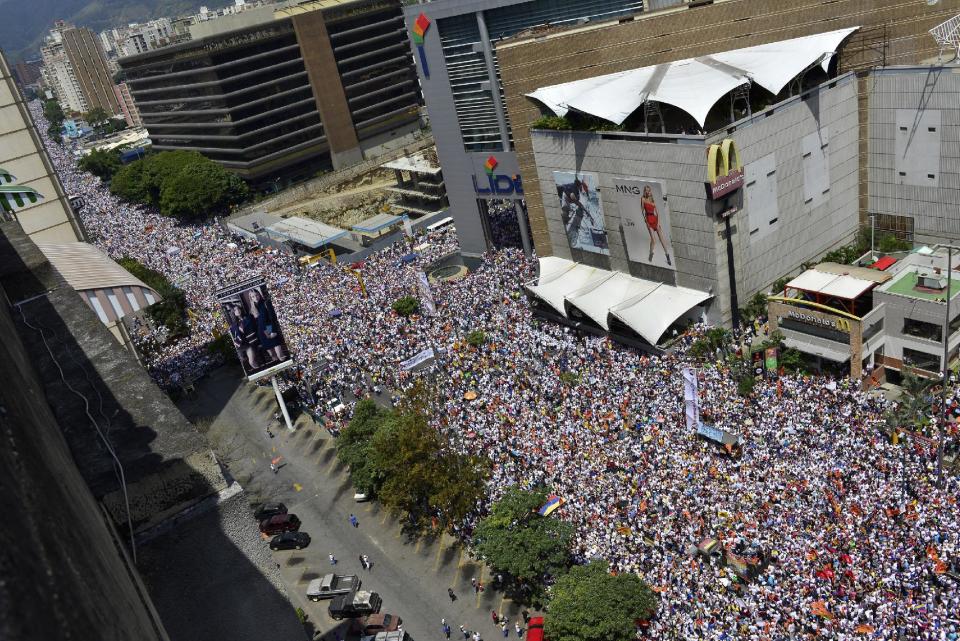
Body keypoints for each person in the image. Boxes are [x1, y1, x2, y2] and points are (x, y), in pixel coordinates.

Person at [248, 287, 288, 364]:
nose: (255, 297)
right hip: (261, 332)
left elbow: (272, 318)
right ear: (251, 298)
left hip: (269, 328)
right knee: (273, 356)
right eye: (253, 296)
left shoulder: (266, 303)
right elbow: (255, 324)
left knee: (280, 355)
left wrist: (273, 330)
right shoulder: (252, 309)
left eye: (256, 295)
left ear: (259, 294)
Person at [640, 184, 672, 266]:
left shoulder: (652, 200)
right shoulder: (643, 199)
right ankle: (651, 253)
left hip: (655, 219)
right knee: (653, 240)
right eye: (647, 190)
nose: (648, 192)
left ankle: (667, 255)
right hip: (648, 220)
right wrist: (645, 220)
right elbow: (642, 211)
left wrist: (658, 223)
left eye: (649, 190)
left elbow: (657, 212)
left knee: (662, 239)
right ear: (645, 191)